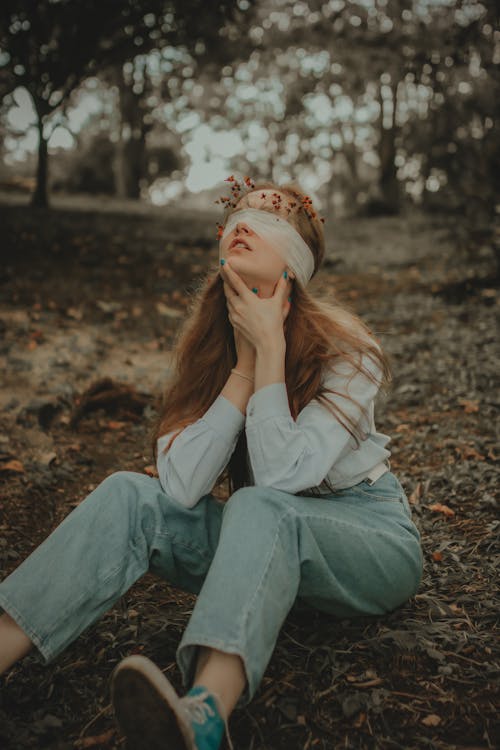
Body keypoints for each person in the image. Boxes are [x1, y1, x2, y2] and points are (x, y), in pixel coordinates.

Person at [0, 179, 423, 750]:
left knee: (260, 501)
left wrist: (272, 348)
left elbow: (279, 481)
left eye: (270, 219)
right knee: (131, 494)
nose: (246, 222)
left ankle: (202, 716)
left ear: (296, 260)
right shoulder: (208, 346)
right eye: (239, 214)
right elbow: (179, 485)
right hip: (265, 546)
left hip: (369, 541)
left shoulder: (348, 351)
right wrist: (244, 366)